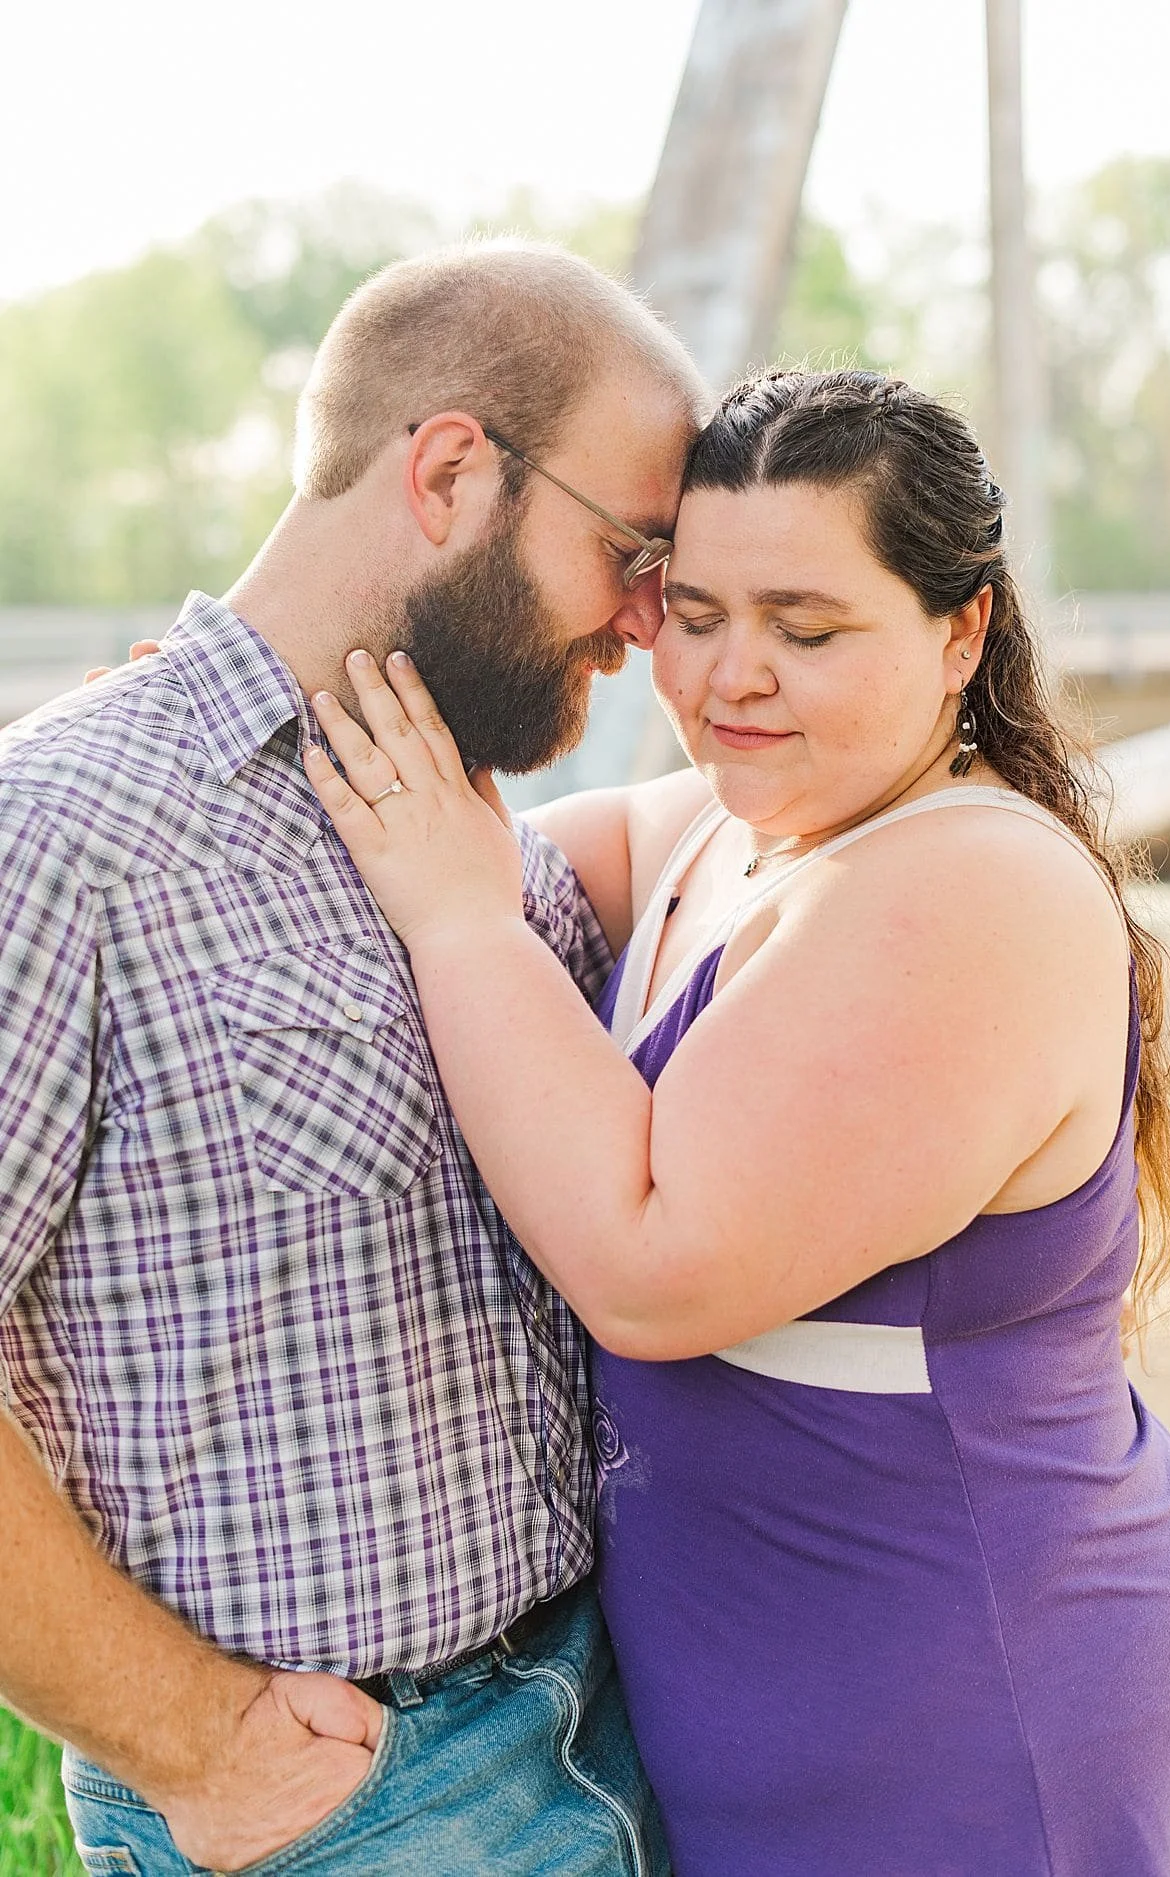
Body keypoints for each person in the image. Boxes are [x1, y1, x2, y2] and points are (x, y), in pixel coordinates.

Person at [304, 368, 1170, 1875]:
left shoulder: (971, 888)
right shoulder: (712, 832)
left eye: (806, 632)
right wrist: (218, 729)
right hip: (747, 1699)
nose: (732, 676)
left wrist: (464, 926)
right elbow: (391, 843)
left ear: (962, 634)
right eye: (692, 615)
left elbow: (651, 1265)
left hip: (975, 1708)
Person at [0, 242, 707, 1873]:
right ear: (455, 472)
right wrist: (197, 1743)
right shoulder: (61, 835)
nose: (654, 620)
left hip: (615, 1719)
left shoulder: (474, 828)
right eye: (634, 549)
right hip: (348, 1807)